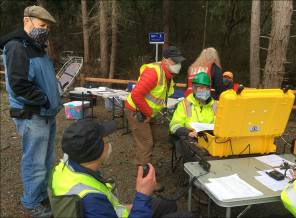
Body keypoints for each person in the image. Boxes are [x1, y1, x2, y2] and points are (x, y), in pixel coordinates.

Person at [49, 119, 196, 218]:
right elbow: (97, 206)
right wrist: (142, 195)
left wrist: (129, 206)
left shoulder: (64, 168)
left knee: (167, 205)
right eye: (105, 139)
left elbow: (107, 206)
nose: (109, 141)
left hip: (112, 211)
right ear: (97, 150)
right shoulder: (91, 201)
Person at [0, 5, 61, 217]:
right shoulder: (17, 47)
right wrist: (44, 100)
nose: (45, 30)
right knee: (34, 160)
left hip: (46, 114)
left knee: (46, 159)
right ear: (27, 21)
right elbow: (19, 85)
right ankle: (32, 201)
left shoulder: (36, 46)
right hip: (32, 115)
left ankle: (41, 194)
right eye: (42, 25)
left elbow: (40, 78)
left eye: (47, 27)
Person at [125, 46, 185, 189]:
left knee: (154, 138)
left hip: (146, 112)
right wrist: (148, 113)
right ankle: (147, 183)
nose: (178, 65)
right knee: (147, 143)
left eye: (179, 62)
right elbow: (136, 95)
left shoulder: (167, 75)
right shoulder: (154, 73)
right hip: (136, 111)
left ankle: (141, 164)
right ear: (164, 60)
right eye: (174, 61)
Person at [170, 72, 216, 163]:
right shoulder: (186, 104)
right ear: (194, 88)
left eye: (207, 88)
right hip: (190, 139)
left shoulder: (215, 105)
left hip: (210, 139)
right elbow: (174, 125)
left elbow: (220, 123)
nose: (204, 90)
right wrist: (188, 132)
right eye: (201, 87)